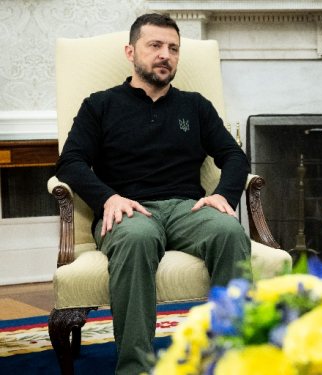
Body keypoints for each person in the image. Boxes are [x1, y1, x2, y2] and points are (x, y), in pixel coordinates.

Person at [55, 13, 252, 375]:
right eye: (155, 46)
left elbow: (234, 156)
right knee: (138, 238)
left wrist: (224, 194)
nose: (165, 55)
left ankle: (228, 359)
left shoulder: (195, 106)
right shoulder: (99, 105)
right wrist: (108, 199)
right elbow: (70, 161)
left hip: (187, 208)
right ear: (131, 52)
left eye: (173, 48)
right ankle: (136, 368)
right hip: (127, 210)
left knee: (229, 231)